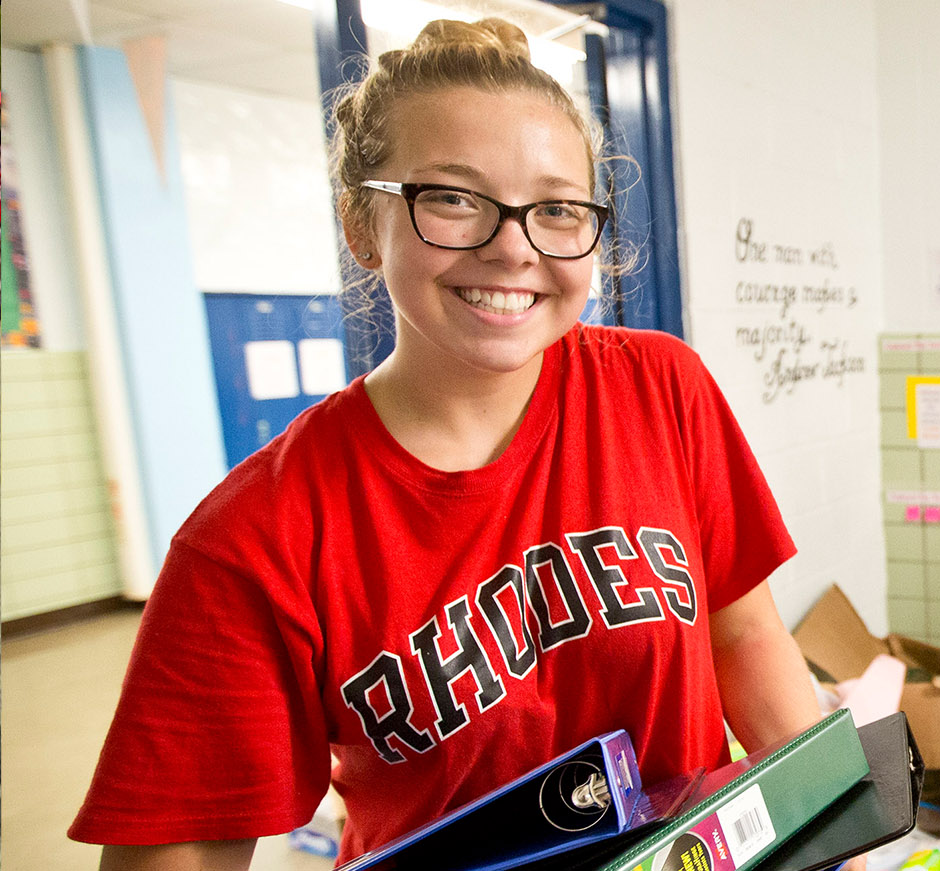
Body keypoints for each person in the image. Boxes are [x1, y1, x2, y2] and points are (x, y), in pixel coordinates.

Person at [68, 19, 825, 870]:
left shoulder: (661, 388)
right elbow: (184, 851)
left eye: (557, 208)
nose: (513, 246)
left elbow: (744, 636)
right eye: (454, 198)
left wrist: (831, 814)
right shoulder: (253, 539)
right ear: (362, 222)